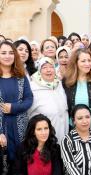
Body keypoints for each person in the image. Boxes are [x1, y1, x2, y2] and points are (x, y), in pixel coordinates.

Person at [0, 41, 33, 171]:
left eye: (11, 53)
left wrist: (13, 108)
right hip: (2, 130)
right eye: (3, 53)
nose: (7, 56)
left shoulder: (21, 77)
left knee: (19, 166)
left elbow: (29, 99)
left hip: (20, 130)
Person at [63, 48, 91, 137]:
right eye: (83, 61)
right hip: (72, 130)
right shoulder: (66, 81)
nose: (87, 64)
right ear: (76, 63)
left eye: (89, 60)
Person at [28, 57, 69, 143]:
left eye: (51, 67)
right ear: (39, 71)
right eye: (44, 67)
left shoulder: (59, 84)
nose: (48, 70)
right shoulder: (32, 87)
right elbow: (28, 112)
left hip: (63, 128)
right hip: (43, 132)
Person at [61, 104, 91, 175]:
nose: (85, 121)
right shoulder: (67, 140)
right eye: (80, 118)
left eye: (87, 117)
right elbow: (71, 167)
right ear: (73, 121)